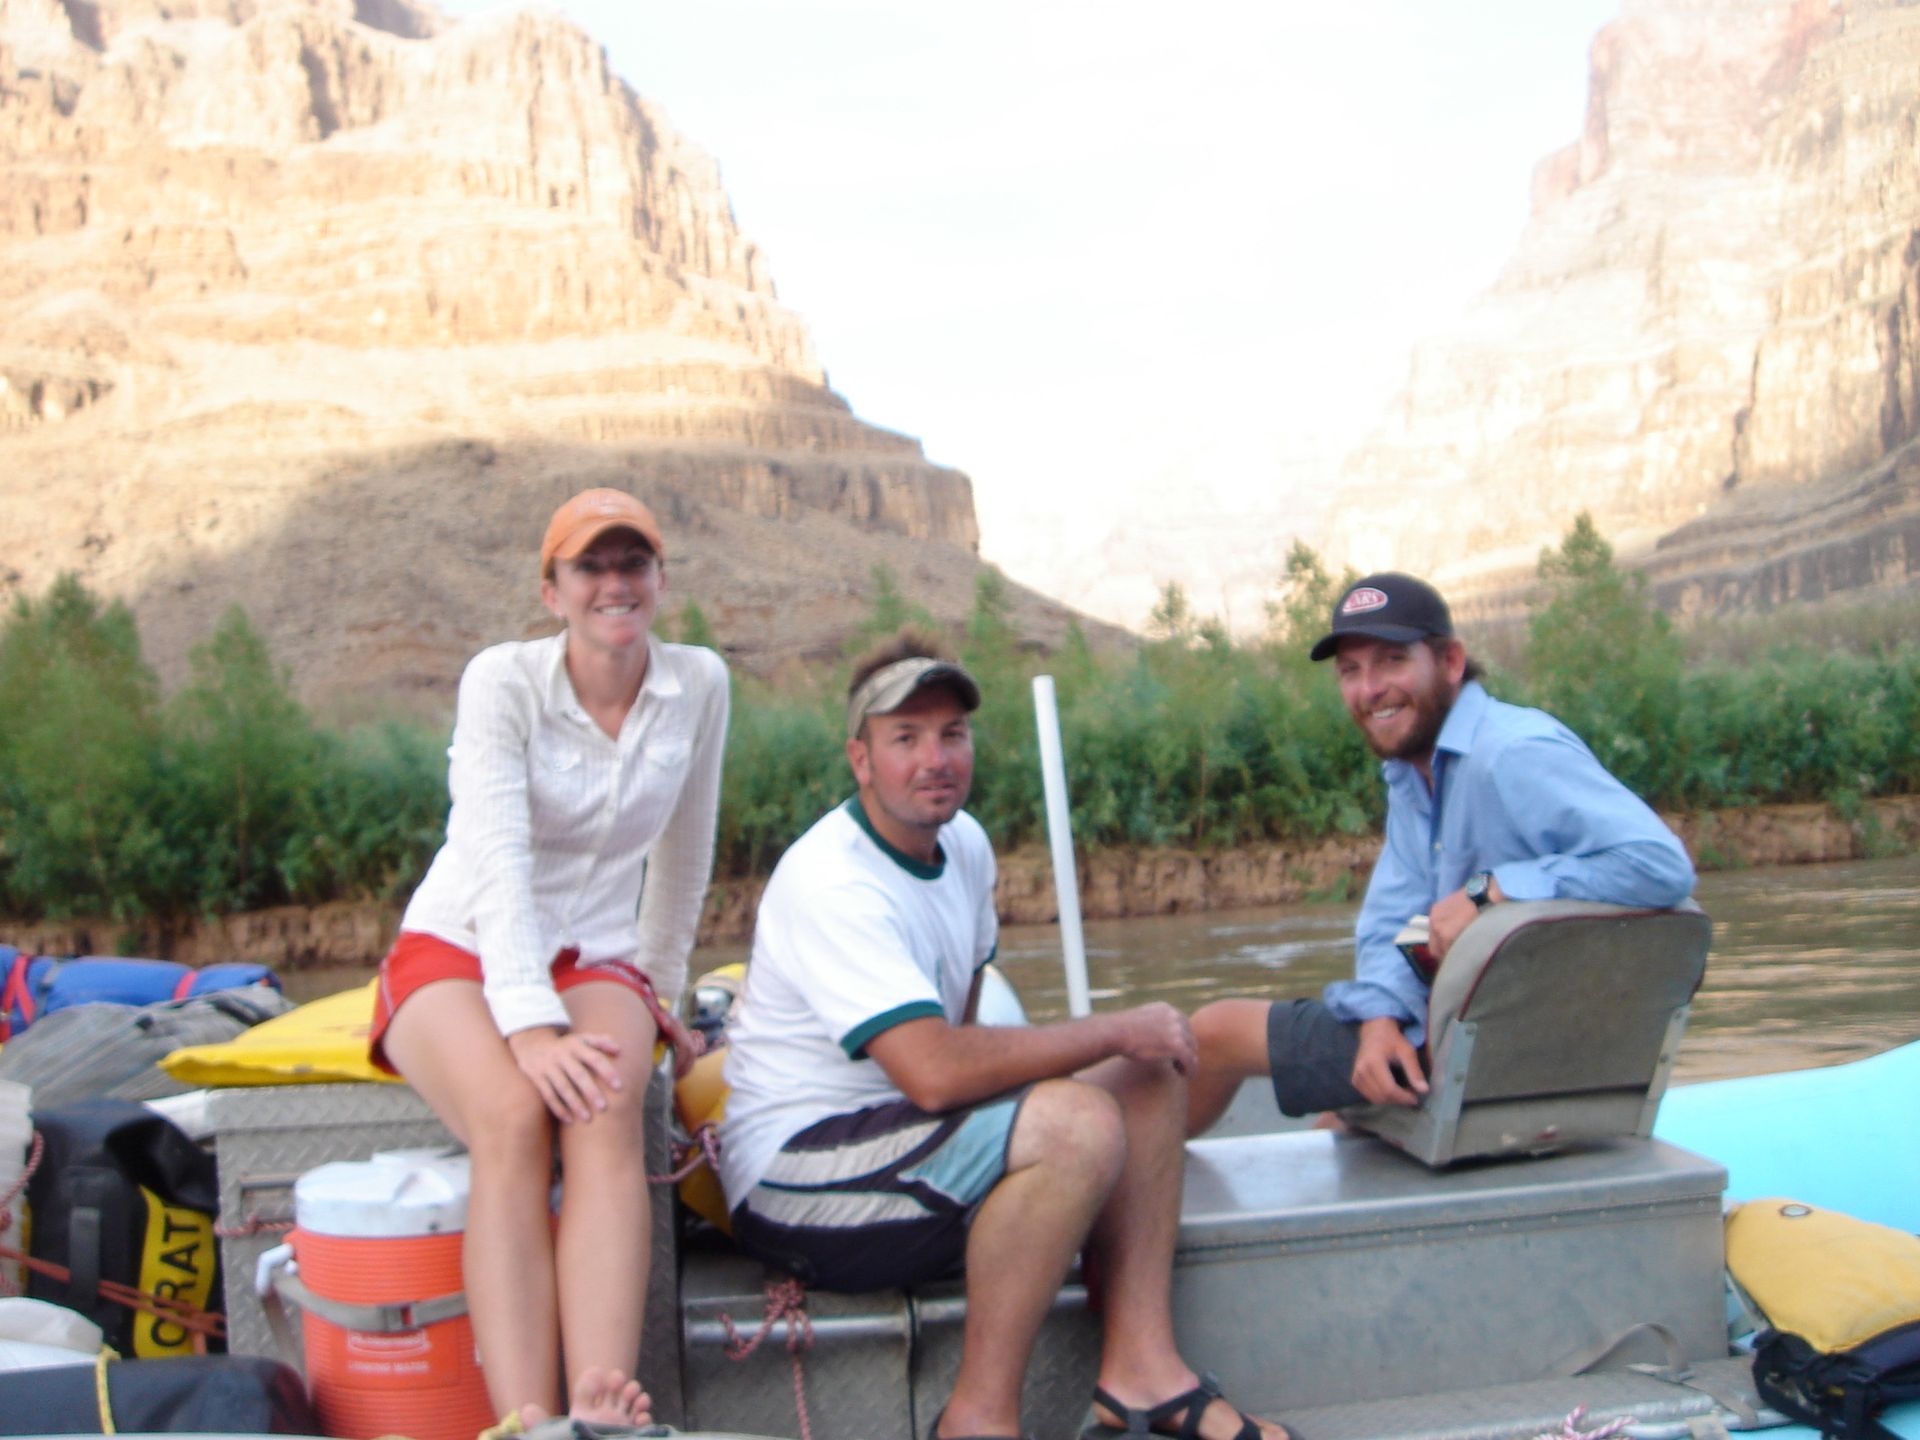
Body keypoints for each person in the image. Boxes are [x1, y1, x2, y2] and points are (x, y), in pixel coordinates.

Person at [718, 629, 1291, 1440]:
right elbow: (936, 1073)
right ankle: (978, 1421)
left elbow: (968, 1027)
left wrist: (1117, 1051)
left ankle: (1142, 1371)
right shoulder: (833, 881)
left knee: (1148, 1073)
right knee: (1079, 1116)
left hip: (905, 1145)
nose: (935, 758)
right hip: (796, 1177)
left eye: (951, 734)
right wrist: (1108, 1029)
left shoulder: (967, 847)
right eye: (905, 739)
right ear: (860, 759)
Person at [369, 487, 728, 1429]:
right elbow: (496, 858)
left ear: (659, 578)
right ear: (552, 591)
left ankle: (598, 1404)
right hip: (462, 939)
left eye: (632, 563)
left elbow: (685, 856)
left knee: (606, 1103)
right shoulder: (502, 681)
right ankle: (525, 1420)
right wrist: (528, 1026)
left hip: (595, 954)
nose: (615, 583)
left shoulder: (701, 685)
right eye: (591, 568)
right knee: (515, 1118)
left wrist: (659, 998)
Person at [1186, 572, 1697, 1134]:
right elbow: (1396, 921)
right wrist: (1379, 1018)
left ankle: (1124, 1197)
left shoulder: (1511, 752)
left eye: (1392, 661)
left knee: (1213, 1033)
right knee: (1337, 1121)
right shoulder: (1413, 773)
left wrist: (1490, 890)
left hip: (1508, 1044)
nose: (1369, 689)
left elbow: (1661, 865)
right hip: (1464, 1030)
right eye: (1351, 672)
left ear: (1451, 662)